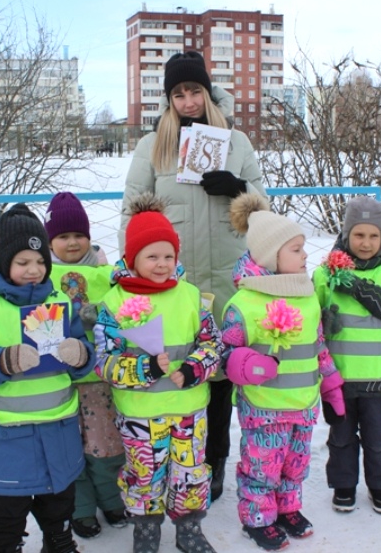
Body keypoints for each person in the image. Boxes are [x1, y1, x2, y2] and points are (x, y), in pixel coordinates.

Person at [121, 51, 267, 503]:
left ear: (207, 92)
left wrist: (239, 191)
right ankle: (161, 463)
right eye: (178, 93)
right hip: (172, 288)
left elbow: (264, 211)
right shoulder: (153, 146)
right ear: (169, 99)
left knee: (219, 377)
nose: (187, 101)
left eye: (194, 91)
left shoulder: (236, 141)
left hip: (227, 284)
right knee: (174, 373)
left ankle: (212, 460)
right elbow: (132, 213)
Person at [0, 203, 95, 553]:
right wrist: (2, 361)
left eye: (40, 261)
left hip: (57, 429)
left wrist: (81, 355)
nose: (34, 270)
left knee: (59, 504)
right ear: (2, 262)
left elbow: (84, 360)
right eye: (23, 262)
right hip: (5, 438)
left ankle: (59, 543)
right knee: (5, 514)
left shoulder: (59, 303)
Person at [93, 193, 222, 553]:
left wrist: (197, 367)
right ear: (132, 259)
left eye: (169, 256)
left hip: (189, 411)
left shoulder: (192, 296)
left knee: (190, 474)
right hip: (140, 415)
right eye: (152, 256)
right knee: (143, 476)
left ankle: (189, 528)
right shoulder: (114, 303)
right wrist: (141, 368)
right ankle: (146, 529)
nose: (162, 264)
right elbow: (103, 359)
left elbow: (213, 342)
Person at [221, 194, 344, 551]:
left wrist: (331, 385)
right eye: (296, 249)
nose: (306, 255)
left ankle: (288, 508)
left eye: (304, 247)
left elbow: (318, 346)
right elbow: (226, 351)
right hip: (265, 408)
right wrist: (246, 364)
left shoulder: (306, 296)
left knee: (295, 463)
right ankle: (257, 518)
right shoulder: (244, 303)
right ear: (271, 256)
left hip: (304, 404)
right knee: (262, 468)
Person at [312, 196, 381, 515]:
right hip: (338, 377)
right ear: (345, 235)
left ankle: (380, 485)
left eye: (373, 235)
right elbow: (310, 319)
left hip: (379, 377)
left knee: (379, 437)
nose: (366, 243)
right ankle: (344, 485)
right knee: (341, 437)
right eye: (358, 235)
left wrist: (355, 285)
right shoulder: (323, 275)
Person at [43, 192, 127, 538]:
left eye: (79, 235)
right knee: (69, 447)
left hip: (99, 378)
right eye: (63, 237)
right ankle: (80, 506)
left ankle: (111, 498)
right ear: (50, 241)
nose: (72, 243)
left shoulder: (107, 274)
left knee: (105, 443)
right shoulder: (41, 276)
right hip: (59, 380)